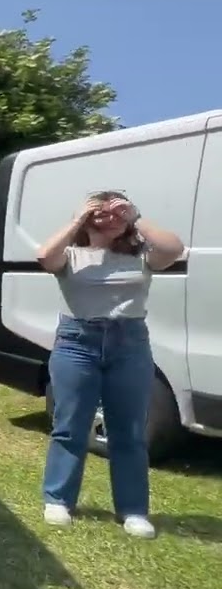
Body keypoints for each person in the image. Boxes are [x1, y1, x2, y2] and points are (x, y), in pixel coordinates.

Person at [34, 190, 185, 539]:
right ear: (87, 216)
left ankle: (132, 510)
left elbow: (174, 249)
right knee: (70, 425)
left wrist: (135, 215)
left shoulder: (143, 254)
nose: (111, 216)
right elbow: (44, 255)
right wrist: (77, 219)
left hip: (129, 343)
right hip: (77, 342)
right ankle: (58, 499)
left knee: (130, 431)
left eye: (119, 212)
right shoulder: (71, 254)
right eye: (101, 211)